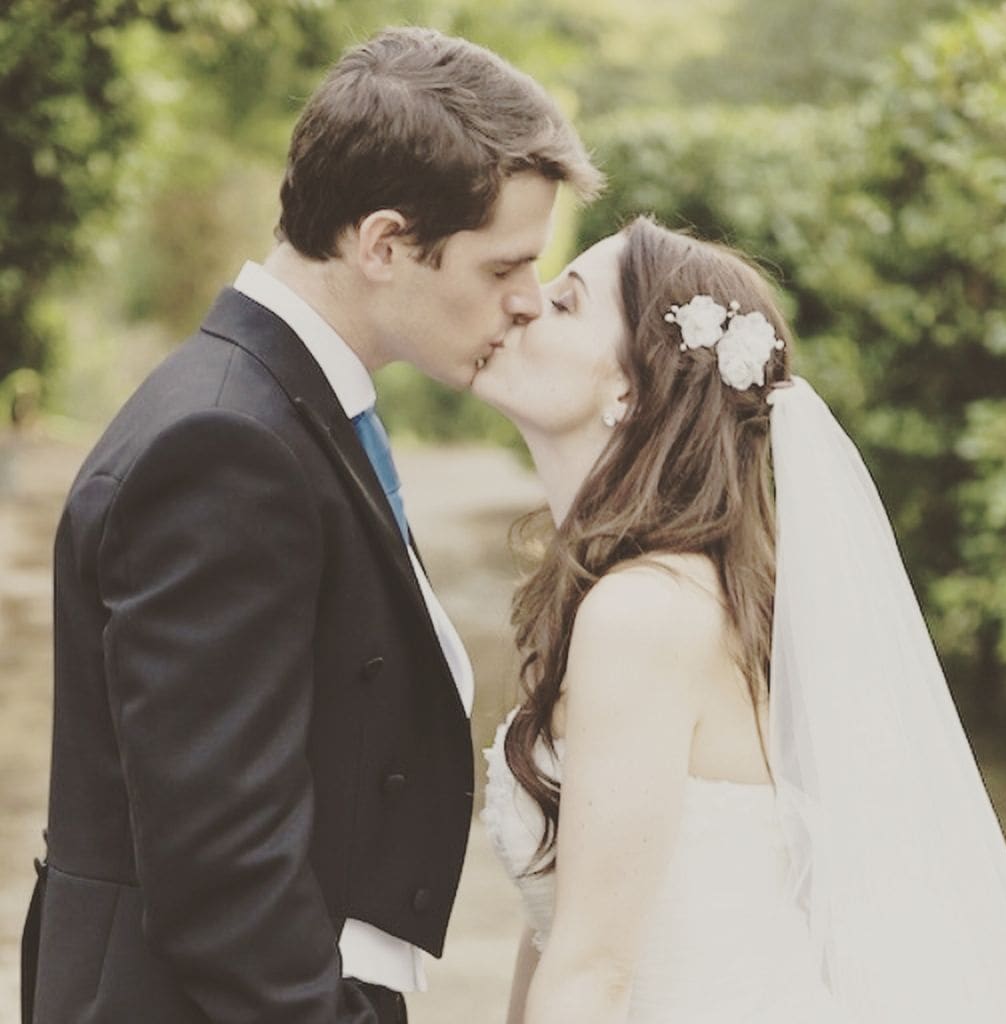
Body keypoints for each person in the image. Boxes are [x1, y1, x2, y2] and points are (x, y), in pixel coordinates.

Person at [20, 27, 602, 1024]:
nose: (526, 300)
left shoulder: (276, 408)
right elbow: (222, 866)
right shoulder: (224, 443)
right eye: (504, 265)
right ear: (382, 243)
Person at [474, 216, 1006, 1023]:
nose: (522, 306)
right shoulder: (637, 594)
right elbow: (559, 935)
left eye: (565, 302)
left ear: (628, 388)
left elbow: (594, 973)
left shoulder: (647, 612)